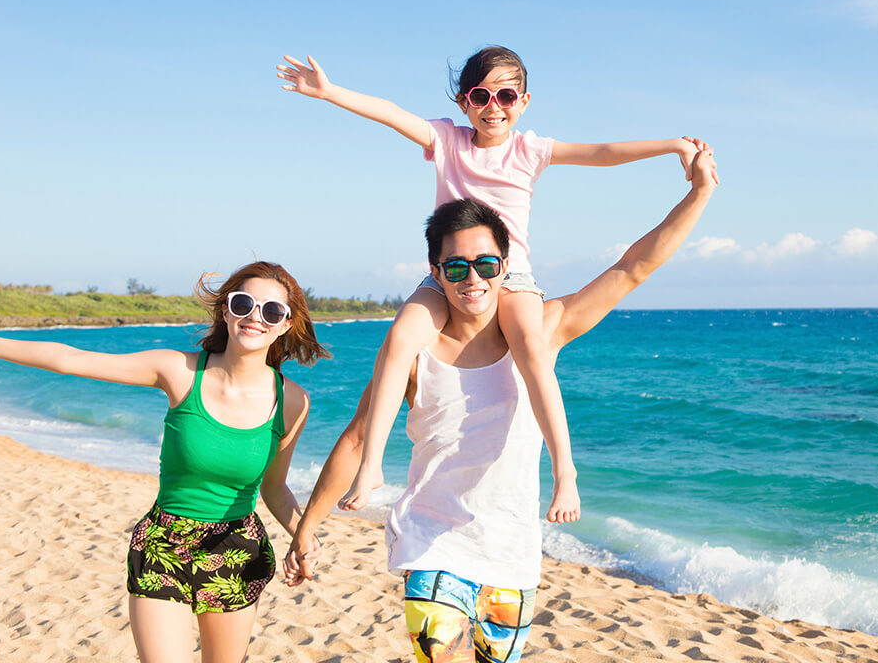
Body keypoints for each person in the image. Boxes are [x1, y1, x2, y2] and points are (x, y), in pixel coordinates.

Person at [285, 144, 718, 662]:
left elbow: (630, 270)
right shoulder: (414, 352)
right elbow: (358, 437)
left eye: (487, 264)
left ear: (506, 266)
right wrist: (307, 528)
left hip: (511, 552)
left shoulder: (542, 331)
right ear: (435, 270)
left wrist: (700, 193)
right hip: (432, 541)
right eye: (457, 267)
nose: (473, 280)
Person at [278, 46, 703, 524]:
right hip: (448, 274)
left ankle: (565, 471)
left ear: (523, 101)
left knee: (532, 349)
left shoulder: (530, 150)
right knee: (399, 339)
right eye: (481, 95)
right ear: (464, 102)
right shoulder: (446, 140)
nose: (493, 106)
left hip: (511, 275)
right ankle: (374, 465)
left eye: (506, 95)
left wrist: (671, 145)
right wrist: (330, 92)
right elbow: (394, 115)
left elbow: (601, 154)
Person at [0, 262, 328, 663]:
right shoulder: (180, 371)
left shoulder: (292, 402)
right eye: (243, 304)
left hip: (236, 551)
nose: (255, 317)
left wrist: (303, 535)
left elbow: (274, 487)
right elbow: (71, 359)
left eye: (272, 310)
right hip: (163, 546)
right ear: (226, 310)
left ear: (286, 323)